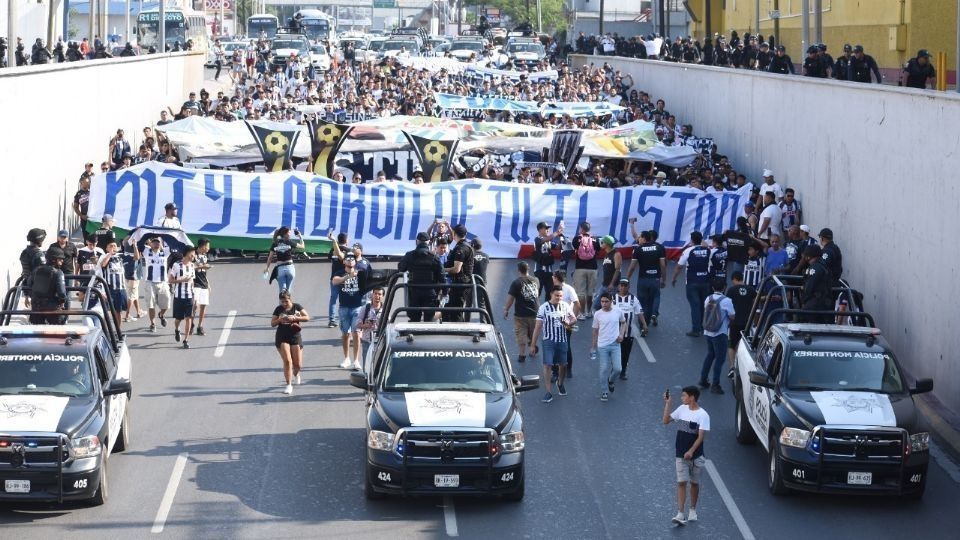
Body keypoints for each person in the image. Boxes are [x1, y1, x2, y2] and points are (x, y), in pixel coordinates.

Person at [662, 386, 710, 526]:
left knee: (694, 483)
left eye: (684, 396)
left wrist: (691, 451)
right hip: (680, 454)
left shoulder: (703, 415)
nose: (682, 398)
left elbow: (701, 437)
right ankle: (680, 513)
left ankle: (692, 509)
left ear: (692, 397)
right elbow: (665, 421)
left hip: (696, 456)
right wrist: (668, 403)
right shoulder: (681, 409)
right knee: (681, 482)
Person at [530, 286, 577, 403]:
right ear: (551, 294)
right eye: (557, 295)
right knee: (547, 365)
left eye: (561, 296)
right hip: (548, 340)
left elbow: (574, 318)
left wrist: (569, 322)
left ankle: (560, 383)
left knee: (563, 364)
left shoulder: (565, 306)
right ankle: (548, 392)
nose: (559, 298)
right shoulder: (543, 308)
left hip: (562, 339)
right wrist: (532, 344)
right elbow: (537, 327)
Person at [332, 252, 368, 371]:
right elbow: (334, 281)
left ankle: (356, 360)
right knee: (345, 334)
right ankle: (346, 358)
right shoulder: (339, 272)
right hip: (344, 307)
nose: (350, 260)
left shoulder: (360, 272)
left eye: (352, 259)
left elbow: (368, 281)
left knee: (356, 333)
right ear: (344, 262)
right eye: (347, 259)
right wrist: (348, 277)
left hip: (357, 307)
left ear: (355, 262)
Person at [698, 279, 735, 394]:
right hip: (720, 333)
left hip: (708, 331)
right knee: (720, 359)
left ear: (713, 288)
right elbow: (732, 316)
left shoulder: (708, 299)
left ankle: (703, 380)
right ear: (724, 287)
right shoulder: (727, 301)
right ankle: (715, 384)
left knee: (710, 355)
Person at [671, 232, 711, 337]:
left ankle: (696, 329)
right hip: (705, 281)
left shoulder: (688, 251)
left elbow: (679, 266)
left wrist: (674, 278)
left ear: (692, 240)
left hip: (692, 282)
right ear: (701, 240)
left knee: (695, 306)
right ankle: (701, 327)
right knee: (703, 305)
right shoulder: (708, 250)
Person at [397, 232, 444, 322]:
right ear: (428, 242)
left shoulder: (409, 255)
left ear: (416, 242)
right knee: (429, 320)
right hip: (430, 292)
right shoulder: (434, 257)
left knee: (414, 319)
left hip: (414, 291)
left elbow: (401, 268)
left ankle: (413, 335)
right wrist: (445, 291)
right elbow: (441, 276)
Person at [271, 290, 310, 395]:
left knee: (298, 365)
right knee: (288, 361)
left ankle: (296, 374)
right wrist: (280, 320)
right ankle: (288, 385)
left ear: (290, 299)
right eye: (282, 301)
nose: (284, 304)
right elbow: (272, 323)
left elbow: (307, 317)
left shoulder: (297, 307)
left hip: (295, 337)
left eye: (286, 301)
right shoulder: (278, 309)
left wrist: (296, 318)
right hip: (282, 337)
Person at [627, 225, 666, 325]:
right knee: (652, 300)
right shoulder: (659, 248)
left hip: (643, 279)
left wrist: (627, 279)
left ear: (644, 238)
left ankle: (643, 325)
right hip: (655, 279)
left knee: (642, 303)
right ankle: (651, 317)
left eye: (640, 237)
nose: (638, 239)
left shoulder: (638, 249)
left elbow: (632, 267)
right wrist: (663, 279)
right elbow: (663, 265)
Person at [503, 261, 541, 364]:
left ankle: (522, 354)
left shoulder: (516, 283)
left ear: (518, 270)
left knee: (521, 333)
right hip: (535, 312)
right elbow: (538, 293)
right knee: (533, 333)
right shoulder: (536, 280)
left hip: (520, 314)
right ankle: (532, 349)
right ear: (528, 269)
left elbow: (511, 298)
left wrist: (506, 309)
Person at [592, 292, 626, 402]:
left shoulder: (618, 311)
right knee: (603, 369)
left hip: (615, 344)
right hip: (602, 346)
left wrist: (621, 334)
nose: (604, 304)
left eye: (606, 301)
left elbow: (624, 323)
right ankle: (604, 392)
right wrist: (593, 346)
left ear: (611, 301)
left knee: (618, 369)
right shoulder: (597, 314)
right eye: (602, 301)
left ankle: (610, 380)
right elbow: (595, 331)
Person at [612, 278, 647, 380]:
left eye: (625, 285)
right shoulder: (613, 298)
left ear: (628, 287)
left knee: (626, 354)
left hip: (629, 333)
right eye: (621, 285)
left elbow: (639, 312)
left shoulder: (633, 299)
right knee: (615, 352)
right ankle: (615, 368)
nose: (623, 287)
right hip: (615, 332)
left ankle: (623, 371)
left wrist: (644, 325)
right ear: (618, 286)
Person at [725, 271, 757, 378]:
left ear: (734, 279)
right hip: (747, 322)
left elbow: (727, 305)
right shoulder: (751, 290)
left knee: (731, 345)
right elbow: (755, 304)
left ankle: (732, 367)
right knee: (743, 344)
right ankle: (742, 367)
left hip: (734, 322)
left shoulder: (731, 290)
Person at [29, 246, 69, 324]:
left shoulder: (36, 270)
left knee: (37, 333)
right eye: (60, 259)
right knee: (57, 332)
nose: (62, 261)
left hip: (36, 307)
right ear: (54, 260)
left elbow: (29, 284)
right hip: (52, 309)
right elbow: (62, 293)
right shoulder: (58, 273)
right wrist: (62, 301)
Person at [444, 224, 475, 322]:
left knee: (456, 312)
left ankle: (458, 334)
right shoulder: (465, 246)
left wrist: (443, 270)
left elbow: (457, 269)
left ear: (454, 234)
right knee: (448, 309)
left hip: (460, 284)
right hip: (460, 283)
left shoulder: (461, 248)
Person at [571, 222, 600, 319]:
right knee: (590, 292)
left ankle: (582, 313)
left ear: (581, 229)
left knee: (581, 292)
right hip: (593, 268)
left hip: (580, 268)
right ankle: (589, 312)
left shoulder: (576, 239)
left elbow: (573, 250)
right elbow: (598, 251)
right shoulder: (595, 239)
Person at [169, 246, 196, 349]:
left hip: (190, 296)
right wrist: (181, 280)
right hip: (179, 296)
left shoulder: (192, 266)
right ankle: (177, 329)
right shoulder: (177, 265)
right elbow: (170, 280)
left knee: (189, 318)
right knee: (178, 319)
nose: (194, 255)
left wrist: (194, 295)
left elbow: (192, 281)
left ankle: (186, 340)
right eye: (193, 253)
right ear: (188, 253)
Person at [142, 236, 171, 332]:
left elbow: (173, 243)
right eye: (154, 242)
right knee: (151, 305)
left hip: (163, 282)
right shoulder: (147, 252)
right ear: (151, 243)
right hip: (150, 282)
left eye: (158, 242)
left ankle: (161, 314)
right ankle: (152, 323)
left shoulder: (165, 252)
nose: (156, 243)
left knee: (166, 304)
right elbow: (140, 243)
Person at [264, 227, 305, 293]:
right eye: (289, 232)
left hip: (280, 269)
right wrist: (300, 236)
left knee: (282, 292)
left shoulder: (275, 243)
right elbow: (302, 246)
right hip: (290, 268)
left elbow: (270, 257)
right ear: (285, 234)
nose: (290, 234)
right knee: (288, 292)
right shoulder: (289, 242)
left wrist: (267, 268)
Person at [98, 241, 129, 326]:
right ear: (107, 248)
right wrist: (110, 254)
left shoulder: (121, 256)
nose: (113, 247)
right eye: (110, 246)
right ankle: (104, 331)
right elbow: (103, 264)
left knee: (118, 311)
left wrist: (135, 246)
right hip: (109, 289)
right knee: (106, 311)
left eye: (114, 246)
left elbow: (136, 258)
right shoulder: (103, 256)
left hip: (121, 289)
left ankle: (118, 331)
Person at [801, 245, 833, 323]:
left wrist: (804, 301)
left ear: (808, 256)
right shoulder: (824, 266)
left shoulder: (814, 268)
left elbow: (809, 287)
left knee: (800, 319)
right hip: (826, 303)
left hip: (815, 303)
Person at [533, 221, 563, 300]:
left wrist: (560, 237)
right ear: (540, 230)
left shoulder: (549, 241)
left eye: (548, 228)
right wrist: (557, 232)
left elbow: (557, 247)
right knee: (537, 292)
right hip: (539, 271)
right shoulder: (537, 239)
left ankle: (548, 310)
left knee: (550, 292)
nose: (548, 230)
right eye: (546, 228)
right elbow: (546, 239)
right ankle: (535, 310)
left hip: (549, 272)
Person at [357, 287, 385, 373]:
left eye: (379, 294)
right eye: (375, 294)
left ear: (383, 296)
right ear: (372, 295)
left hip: (380, 341)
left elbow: (388, 325)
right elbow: (358, 324)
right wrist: (367, 325)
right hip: (367, 341)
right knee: (367, 364)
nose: (377, 296)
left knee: (380, 363)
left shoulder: (385, 309)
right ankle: (366, 380)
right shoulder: (365, 308)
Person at [592, 236, 622, 313]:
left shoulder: (616, 254)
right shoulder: (607, 254)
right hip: (604, 285)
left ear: (607, 244)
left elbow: (618, 270)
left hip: (612, 286)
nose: (601, 244)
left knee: (610, 307)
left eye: (602, 242)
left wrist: (612, 284)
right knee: (597, 305)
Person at [327, 232, 349, 327]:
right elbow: (342, 258)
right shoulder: (348, 251)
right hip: (344, 279)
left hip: (334, 278)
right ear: (346, 240)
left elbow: (330, 258)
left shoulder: (332, 250)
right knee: (344, 300)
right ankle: (344, 319)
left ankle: (332, 320)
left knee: (333, 299)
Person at [193, 238, 212, 335]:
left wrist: (208, 284)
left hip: (203, 283)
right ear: (203, 246)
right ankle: (191, 322)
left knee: (203, 306)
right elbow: (190, 267)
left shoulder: (205, 256)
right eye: (208, 246)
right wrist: (202, 267)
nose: (209, 248)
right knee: (195, 305)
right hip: (195, 283)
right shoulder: (193, 254)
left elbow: (204, 272)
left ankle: (199, 326)